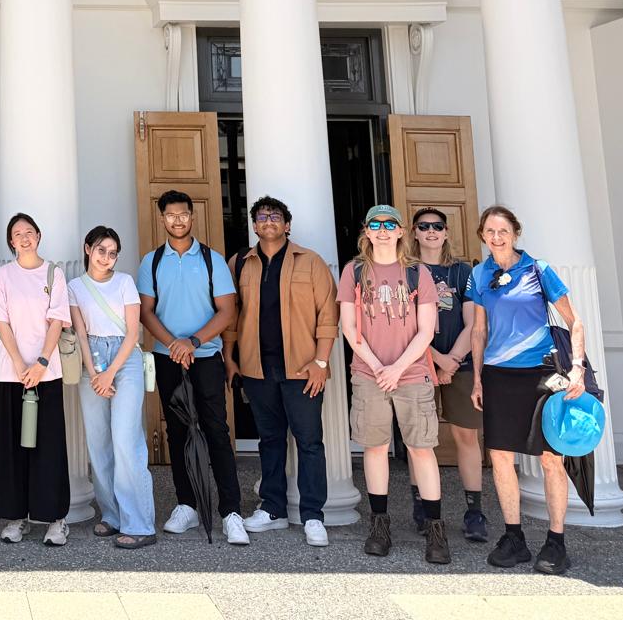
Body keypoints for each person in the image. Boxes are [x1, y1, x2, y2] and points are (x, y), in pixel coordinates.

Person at [469, 205, 588, 576]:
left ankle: (556, 541)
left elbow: (574, 321)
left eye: (503, 230)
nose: (497, 237)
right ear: (482, 236)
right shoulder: (479, 273)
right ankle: (514, 537)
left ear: (516, 233)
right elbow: (478, 331)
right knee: (501, 457)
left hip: (539, 374)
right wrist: (476, 378)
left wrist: (577, 368)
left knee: (551, 458)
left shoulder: (538, 269)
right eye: (489, 231)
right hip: (497, 376)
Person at [338, 204, 449, 564]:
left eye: (390, 224)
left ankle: (435, 530)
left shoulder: (417, 273)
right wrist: (377, 366)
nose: (383, 229)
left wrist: (397, 368)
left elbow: (426, 329)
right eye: (375, 224)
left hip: (412, 374)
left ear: (401, 231)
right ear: (366, 231)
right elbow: (349, 329)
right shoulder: (354, 271)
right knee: (375, 447)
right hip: (369, 374)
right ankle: (379, 524)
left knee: (421, 449)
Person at [226, 195, 338, 548]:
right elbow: (231, 316)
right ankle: (272, 509)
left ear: (287, 225)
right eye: (262, 216)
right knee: (270, 441)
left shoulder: (311, 262)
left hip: (303, 370)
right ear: (254, 225)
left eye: (275, 216)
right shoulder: (240, 263)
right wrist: (230, 359)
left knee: (309, 442)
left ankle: (313, 515)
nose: (269, 221)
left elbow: (328, 317)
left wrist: (320, 362)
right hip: (258, 370)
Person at [136, 189, 242, 542]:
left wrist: (192, 342)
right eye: (170, 215)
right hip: (168, 360)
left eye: (183, 214)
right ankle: (187, 505)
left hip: (206, 357)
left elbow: (227, 310)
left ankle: (230, 511)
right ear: (162, 219)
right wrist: (173, 344)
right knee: (177, 432)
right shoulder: (151, 262)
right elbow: (146, 312)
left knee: (216, 430)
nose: (177, 220)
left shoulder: (212, 260)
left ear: (192, 217)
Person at [0, 212, 72, 546]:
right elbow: (2, 322)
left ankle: (54, 519)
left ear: (38, 236)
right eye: (17, 233)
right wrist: (21, 364)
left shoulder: (54, 273)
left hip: (46, 373)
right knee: (13, 447)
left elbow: (57, 320)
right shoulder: (4, 275)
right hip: (13, 374)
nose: (24, 237)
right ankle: (15, 517)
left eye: (29, 232)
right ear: (11, 241)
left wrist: (40, 362)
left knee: (48, 447)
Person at [68, 225, 154, 549]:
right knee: (98, 441)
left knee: (126, 439)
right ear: (88, 248)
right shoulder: (75, 286)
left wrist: (110, 373)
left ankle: (140, 523)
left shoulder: (125, 282)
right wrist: (94, 374)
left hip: (125, 359)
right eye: (101, 250)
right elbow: (79, 333)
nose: (107, 257)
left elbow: (133, 333)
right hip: (92, 359)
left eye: (113, 252)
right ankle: (111, 515)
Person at [412, 205, 489, 542]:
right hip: (417, 363)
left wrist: (452, 360)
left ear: (446, 232)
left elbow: (473, 323)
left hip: (460, 364)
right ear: (414, 232)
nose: (431, 231)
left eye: (437, 226)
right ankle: (423, 508)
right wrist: (436, 359)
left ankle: (475, 511)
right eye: (424, 226)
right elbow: (403, 326)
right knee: (419, 440)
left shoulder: (462, 272)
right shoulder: (406, 272)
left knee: (466, 437)